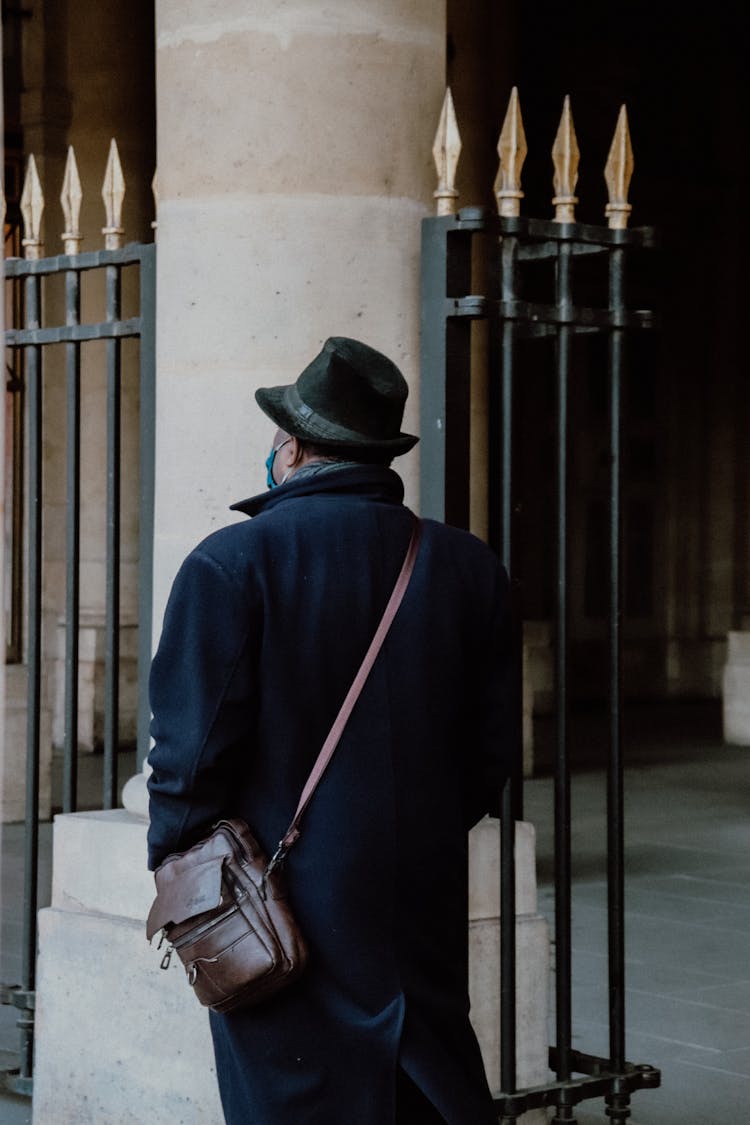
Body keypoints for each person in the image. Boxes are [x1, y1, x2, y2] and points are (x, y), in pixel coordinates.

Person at [146, 336, 513, 1125]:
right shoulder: (469, 566)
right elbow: (491, 758)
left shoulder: (230, 563)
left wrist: (181, 872)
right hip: (419, 897)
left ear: (295, 446)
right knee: (427, 1096)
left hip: (280, 904)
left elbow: (188, 759)